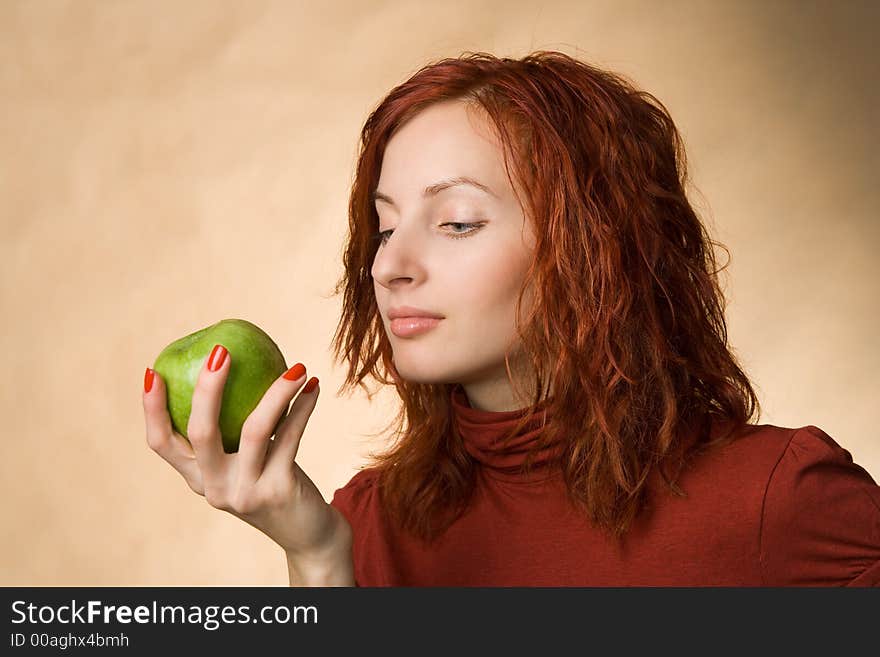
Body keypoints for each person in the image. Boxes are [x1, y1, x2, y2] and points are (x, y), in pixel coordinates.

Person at [142, 50, 880, 586]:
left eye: (457, 221)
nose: (389, 264)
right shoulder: (365, 526)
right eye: (385, 225)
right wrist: (316, 556)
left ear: (596, 247)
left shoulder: (780, 501)